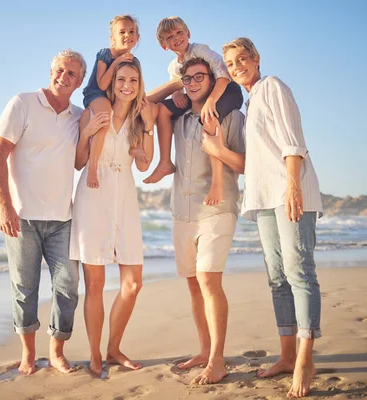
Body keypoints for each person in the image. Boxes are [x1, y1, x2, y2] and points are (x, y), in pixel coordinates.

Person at [222, 37, 323, 398]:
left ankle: (304, 360)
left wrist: (293, 185)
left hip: (289, 192)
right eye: (231, 64)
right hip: (263, 198)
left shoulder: (273, 86)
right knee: (277, 278)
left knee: (299, 273)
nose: (237, 67)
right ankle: (285, 354)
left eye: (242, 59)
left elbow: (293, 140)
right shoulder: (250, 104)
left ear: (256, 58)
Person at [0, 49, 86, 376]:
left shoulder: (78, 115)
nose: (63, 77)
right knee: (25, 287)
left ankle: (56, 351)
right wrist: (4, 205)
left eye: (72, 73)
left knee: (68, 287)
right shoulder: (23, 103)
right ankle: (28, 355)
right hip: (23, 216)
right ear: (50, 71)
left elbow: (83, 158)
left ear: (80, 81)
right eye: (60, 70)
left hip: (63, 218)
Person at [70, 59, 157, 377]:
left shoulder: (141, 117)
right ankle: (94, 355)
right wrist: (86, 134)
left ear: (139, 84)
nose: (127, 85)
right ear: (112, 82)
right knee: (95, 284)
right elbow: (79, 162)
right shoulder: (92, 112)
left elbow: (146, 165)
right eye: (121, 79)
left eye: (134, 80)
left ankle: (113, 348)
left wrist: (147, 127)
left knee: (133, 284)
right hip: (93, 197)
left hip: (125, 199)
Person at [168, 57, 245, 384]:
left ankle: (217, 360)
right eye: (188, 78)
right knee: (193, 284)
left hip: (217, 210)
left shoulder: (231, 117)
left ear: (213, 80)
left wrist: (218, 149)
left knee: (209, 282)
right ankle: (203, 350)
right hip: (182, 213)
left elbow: (243, 164)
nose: (194, 82)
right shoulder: (178, 119)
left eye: (201, 76)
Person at [144, 16, 243, 208]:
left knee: (209, 117)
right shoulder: (174, 66)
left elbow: (223, 75)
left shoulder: (200, 50)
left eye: (179, 32)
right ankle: (165, 162)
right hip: (198, 95)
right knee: (162, 110)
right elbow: (178, 85)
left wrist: (212, 101)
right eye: (170, 37)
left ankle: (217, 182)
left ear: (188, 34)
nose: (176, 38)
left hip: (226, 91)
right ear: (165, 45)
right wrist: (175, 95)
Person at [82, 14, 146, 189]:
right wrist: (117, 61)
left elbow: (137, 86)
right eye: (122, 31)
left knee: (141, 108)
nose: (127, 35)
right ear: (112, 38)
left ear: (137, 37)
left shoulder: (134, 61)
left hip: (115, 96)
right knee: (105, 118)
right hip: (97, 94)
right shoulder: (105, 54)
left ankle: (136, 146)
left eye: (132, 31)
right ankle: (93, 167)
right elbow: (102, 83)